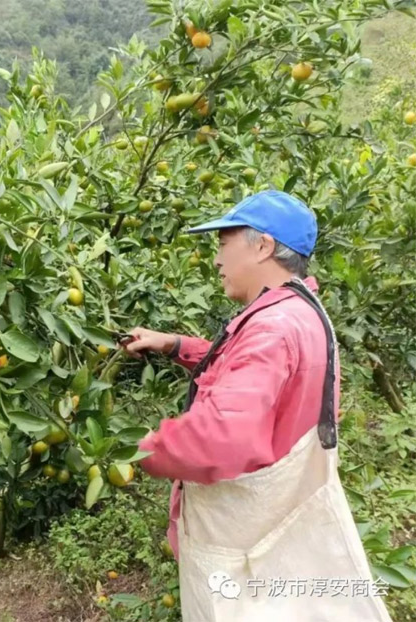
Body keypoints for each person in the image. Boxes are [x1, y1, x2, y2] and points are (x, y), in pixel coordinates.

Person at [122, 190, 392, 621]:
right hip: (278, 530)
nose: (216, 260)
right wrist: (175, 345)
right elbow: (248, 369)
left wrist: (138, 448)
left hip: (245, 543)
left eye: (223, 243)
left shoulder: (272, 328)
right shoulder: (298, 310)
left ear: (263, 245)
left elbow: (220, 436)